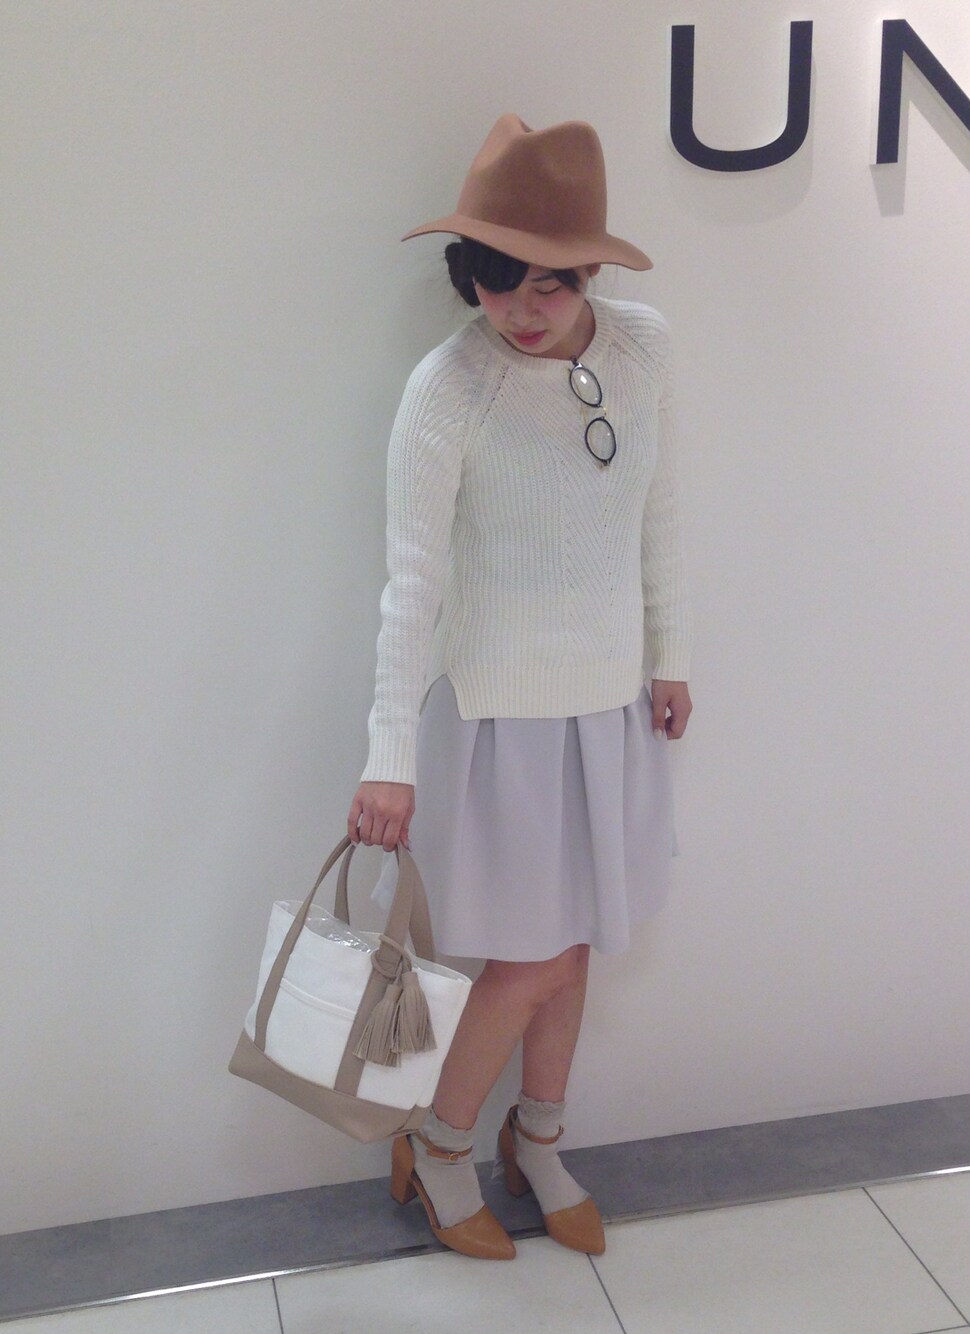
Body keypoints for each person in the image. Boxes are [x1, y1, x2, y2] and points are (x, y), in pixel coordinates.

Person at [348, 114, 692, 1261]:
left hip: (611, 704)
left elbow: (659, 511)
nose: (519, 308)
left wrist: (672, 652)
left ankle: (536, 1138)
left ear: (589, 268)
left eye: (548, 281)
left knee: (577, 942)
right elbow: (411, 583)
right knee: (529, 957)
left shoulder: (643, 350)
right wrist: (388, 753)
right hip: (502, 714)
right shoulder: (449, 387)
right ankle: (440, 1142)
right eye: (494, 279)